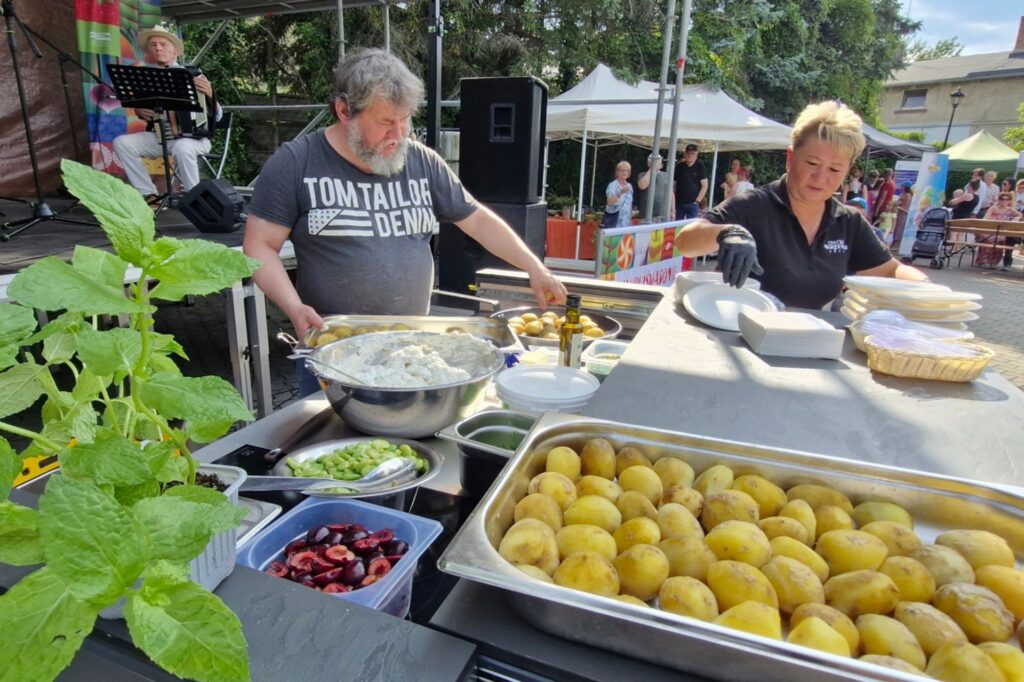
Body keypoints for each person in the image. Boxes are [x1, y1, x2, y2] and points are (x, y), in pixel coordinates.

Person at [242, 49, 566, 395]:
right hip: (333, 355)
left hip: (411, 350)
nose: (398, 134)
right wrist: (293, 307)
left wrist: (533, 266)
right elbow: (259, 246)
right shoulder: (296, 163)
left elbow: (478, 221)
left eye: (405, 119)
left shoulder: (422, 161)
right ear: (344, 111)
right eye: (385, 122)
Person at [672, 101, 928, 310]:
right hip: (736, 337)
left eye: (834, 169)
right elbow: (685, 241)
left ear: (847, 171)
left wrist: (932, 293)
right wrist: (727, 233)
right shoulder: (754, 205)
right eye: (812, 163)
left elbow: (891, 271)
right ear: (790, 157)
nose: (820, 177)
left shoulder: (848, 223)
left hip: (806, 342)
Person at [112, 26, 221, 204]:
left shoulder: (194, 76)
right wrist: (140, 110)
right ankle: (149, 194)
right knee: (122, 143)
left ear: (175, 51)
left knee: (182, 146)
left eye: (163, 44)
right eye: (153, 45)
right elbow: (145, 110)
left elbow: (217, 116)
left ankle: (195, 200)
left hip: (195, 139)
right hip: (161, 137)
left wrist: (210, 95)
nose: (158, 48)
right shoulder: (146, 78)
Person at [975, 191, 1023, 270]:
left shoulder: (1010, 210)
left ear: (1009, 201)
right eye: (1002, 199)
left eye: (1007, 199)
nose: (1004, 201)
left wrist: (1015, 219)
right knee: (989, 238)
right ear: (999, 200)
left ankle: (993, 261)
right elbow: (985, 219)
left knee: (1000, 239)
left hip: (1001, 232)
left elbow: (1020, 215)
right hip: (990, 229)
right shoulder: (993, 208)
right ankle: (984, 260)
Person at [636, 155, 675, 222]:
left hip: (663, 215)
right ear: (648, 164)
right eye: (653, 162)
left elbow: (671, 194)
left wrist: (673, 211)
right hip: (646, 215)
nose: (656, 164)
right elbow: (642, 186)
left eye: (658, 163)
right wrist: (652, 169)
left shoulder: (666, 176)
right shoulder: (642, 174)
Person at [674, 143, 707, 220]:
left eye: (692, 153)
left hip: (693, 204)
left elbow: (704, 185)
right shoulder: (679, 166)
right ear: (685, 154)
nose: (690, 155)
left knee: (691, 225)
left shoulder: (700, 165)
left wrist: (697, 201)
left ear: (696, 154)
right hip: (679, 203)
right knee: (677, 225)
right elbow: (674, 184)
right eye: (688, 153)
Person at [604, 161, 634, 227]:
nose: (625, 172)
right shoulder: (612, 185)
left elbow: (630, 205)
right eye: (622, 170)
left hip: (626, 222)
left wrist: (630, 219)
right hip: (614, 222)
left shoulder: (629, 186)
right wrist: (620, 193)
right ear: (617, 172)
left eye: (627, 171)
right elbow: (609, 202)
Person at [891, 182, 913, 248]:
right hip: (898, 213)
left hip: (903, 214)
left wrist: (896, 206)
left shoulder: (908, 195)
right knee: (896, 227)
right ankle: (893, 242)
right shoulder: (902, 194)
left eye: (902, 186)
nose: (901, 187)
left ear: (905, 187)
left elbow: (905, 207)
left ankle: (897, 244)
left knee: (899, 229)